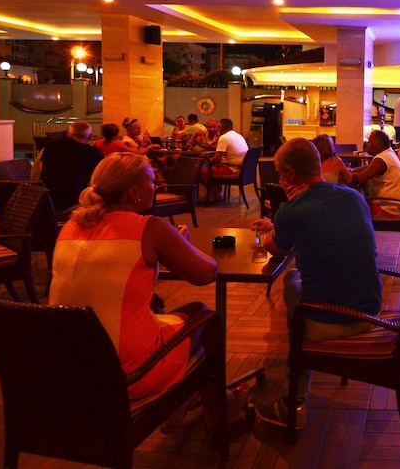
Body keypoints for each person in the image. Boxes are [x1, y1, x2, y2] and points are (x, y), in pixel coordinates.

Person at [49, 153, 218, 401]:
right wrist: (180, 244)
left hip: (68, 366)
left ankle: (184, 399)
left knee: (155, 305)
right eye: (152, 182)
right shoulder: (150, 228)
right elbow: (207, 273)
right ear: (134, 192)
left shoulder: (70, 226)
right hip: (124, 373)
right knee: (202, 315)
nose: (156, 187)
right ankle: (208, 408)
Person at [250, 138, 382, 429]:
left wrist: (282, 218)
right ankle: (295, 390)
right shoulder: (353, 197)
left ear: (290, 174)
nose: (280, 180)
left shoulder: (291, 210)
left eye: (280, 174)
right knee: (299, 281)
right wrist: (286, 222)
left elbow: (275, 248)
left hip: (331, 321)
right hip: (371, 312)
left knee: (292, 283)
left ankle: (292, 401)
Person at [37, 121, 104, 213]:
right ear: (90, 136)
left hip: (46, 201)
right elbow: (99, 179)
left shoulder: (51, 144)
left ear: (68, 134)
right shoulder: (93, 152)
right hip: (75, 203)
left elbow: (41, 166)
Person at [349, 129, 400, 217]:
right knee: (354, 203)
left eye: (369, 141)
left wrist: (344, 174)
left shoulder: (381, 159)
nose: (366, 144)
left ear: (378, 144)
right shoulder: (387, 154)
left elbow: (360, 178)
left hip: (389, 209)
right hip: (396, 205)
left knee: (350, 209)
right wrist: (352, 170)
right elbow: (368, 168)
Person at [203, 118, 249, 202]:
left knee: (202, 172)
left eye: (218, 127)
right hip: (242, 168)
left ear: (222, 127)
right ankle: (215, 194)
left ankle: (216, 195)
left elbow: (216, 159)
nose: (217, 129)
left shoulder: (224, 137)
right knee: (214, 167)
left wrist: (209, 161)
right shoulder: (238, 135)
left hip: (233, 169)